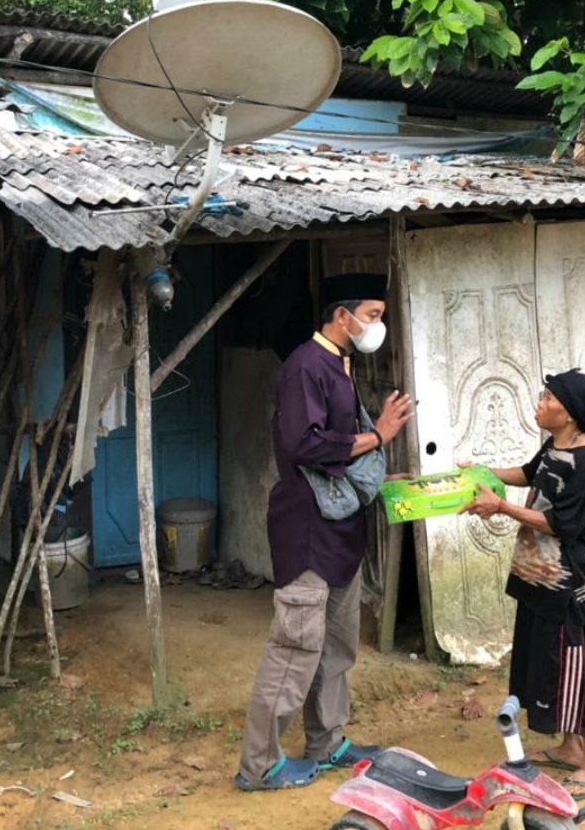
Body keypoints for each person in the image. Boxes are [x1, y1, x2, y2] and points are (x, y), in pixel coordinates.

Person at [235, 273, 415, 792]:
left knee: (335, 648)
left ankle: (327, 740)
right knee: (294, 649)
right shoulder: (304, 368)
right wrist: (377, 434)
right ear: (343, 316)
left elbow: (338, 456)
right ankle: (260, 765)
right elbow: (305, 447)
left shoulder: (339, 365)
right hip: (308, 535)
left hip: (341, 535)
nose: (377, 326)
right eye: (373, 315)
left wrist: (380, 474)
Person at [465, 369, 585, 802]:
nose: (540, 402)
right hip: (539, 575)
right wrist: (484, 472)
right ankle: (570, 748)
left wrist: (500, 508)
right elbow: (531, 473)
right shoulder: (558, 445)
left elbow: (560, 524)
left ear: (568, 414)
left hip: (568, 581)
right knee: (551, 662)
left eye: (548, 398)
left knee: (576, 666)